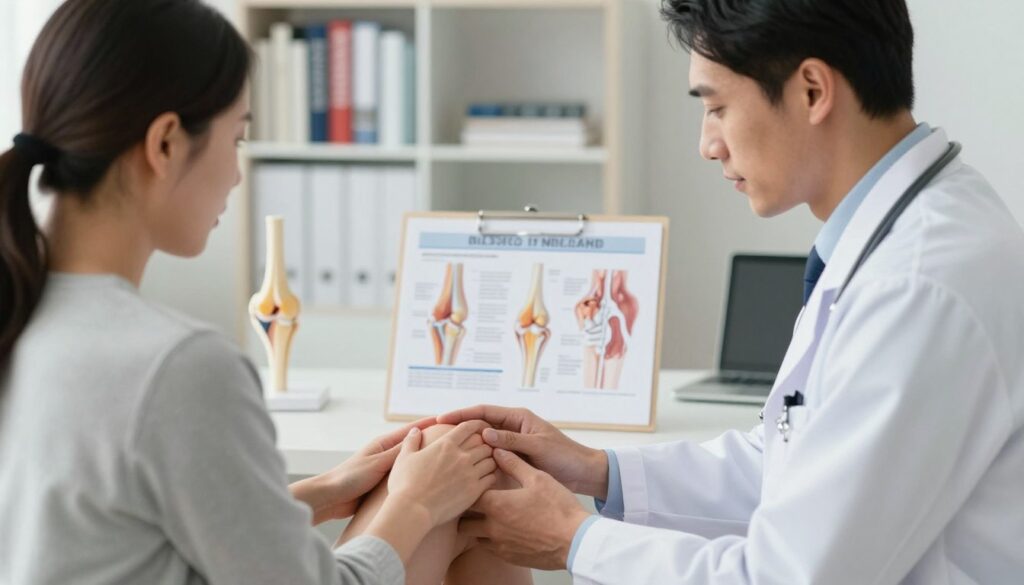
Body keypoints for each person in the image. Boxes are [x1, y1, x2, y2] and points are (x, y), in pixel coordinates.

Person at [437, 0, 1024, 583]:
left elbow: (787, 577)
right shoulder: (901, 236)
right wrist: (596, 471)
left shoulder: (917, 288)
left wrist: (572, 539)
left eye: (717, 107)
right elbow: (788, 464)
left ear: (813, 91)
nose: (708, 144)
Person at [0, 1, 525, 584]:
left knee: (451, 478)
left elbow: (127, 529)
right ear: (166, 143)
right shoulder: (178, 367)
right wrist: (417, 503)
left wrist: (326, 490)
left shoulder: (23, 316)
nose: (236, 173)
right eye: (238, 138)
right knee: (461, 486)